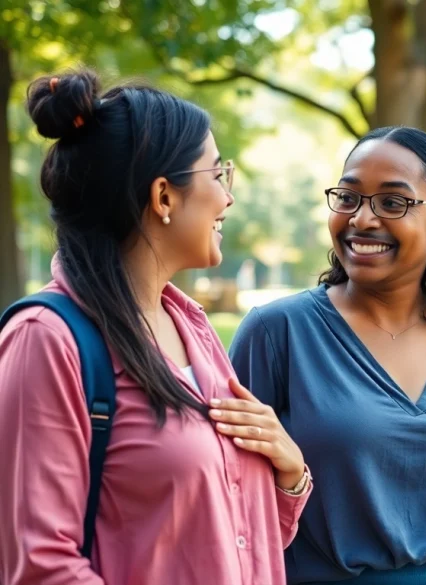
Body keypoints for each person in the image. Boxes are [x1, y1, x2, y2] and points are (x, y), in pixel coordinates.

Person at [0, 70, 310, 585]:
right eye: (218, 175)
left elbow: (227, 540)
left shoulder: (194, 329)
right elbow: (39, 567)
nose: (229, 199)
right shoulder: (45, 339)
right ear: (164, 196)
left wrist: (290, 474)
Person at [229, 126, 426, 585]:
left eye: (393, 203)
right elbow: (232, 502)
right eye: (349, 197)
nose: (362, 219)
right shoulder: (277, 334)